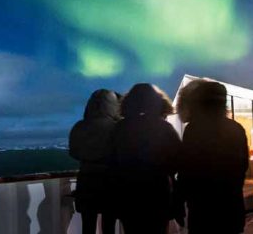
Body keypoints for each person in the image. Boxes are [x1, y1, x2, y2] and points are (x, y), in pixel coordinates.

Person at [177, 79, 248, 234]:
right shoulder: (236, 128)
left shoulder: (194, 129)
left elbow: (186, 170)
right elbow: (243, 167)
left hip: (202, 208)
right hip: (230, 206)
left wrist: (179, 201)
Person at [112, 83, 181, 234]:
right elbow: (177, 161)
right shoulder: (164, 128)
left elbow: (111, 159)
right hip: (158, 193)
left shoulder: (120, 128)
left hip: (128, 194)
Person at [69, 89, 121, 234]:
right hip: (110, 183)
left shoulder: (79, 126)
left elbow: (73, 152)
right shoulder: (117, 128)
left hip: (86, 182)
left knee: (87, 226)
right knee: (109, 226)